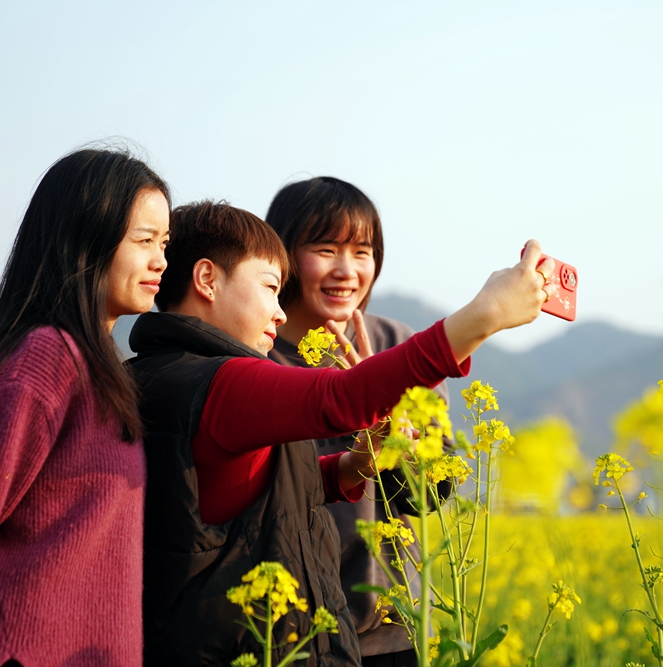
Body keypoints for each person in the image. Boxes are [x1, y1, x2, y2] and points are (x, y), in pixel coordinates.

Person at [128, 201, 556, 667]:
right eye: (271, 288)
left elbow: (242, 491)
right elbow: (343, 397)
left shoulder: (160, 371)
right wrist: (484, 316)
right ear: (207, 280)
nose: (277, 312)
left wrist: (349, 468)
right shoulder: (222, 382)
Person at [0, 148, 171, 666]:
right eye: (144, 241)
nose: (161, 260)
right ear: (84, 240)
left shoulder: (102, 373)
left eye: (164, 243)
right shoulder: (47, 360)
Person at [265, 177, 441, 666]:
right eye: (325, 249)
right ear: (283, 256)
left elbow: (428, 496)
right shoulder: (258, 361)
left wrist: (386, 412)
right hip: (292, 634)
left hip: (391, 634)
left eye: (363, 252)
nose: (347, 271)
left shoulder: (403, 348)